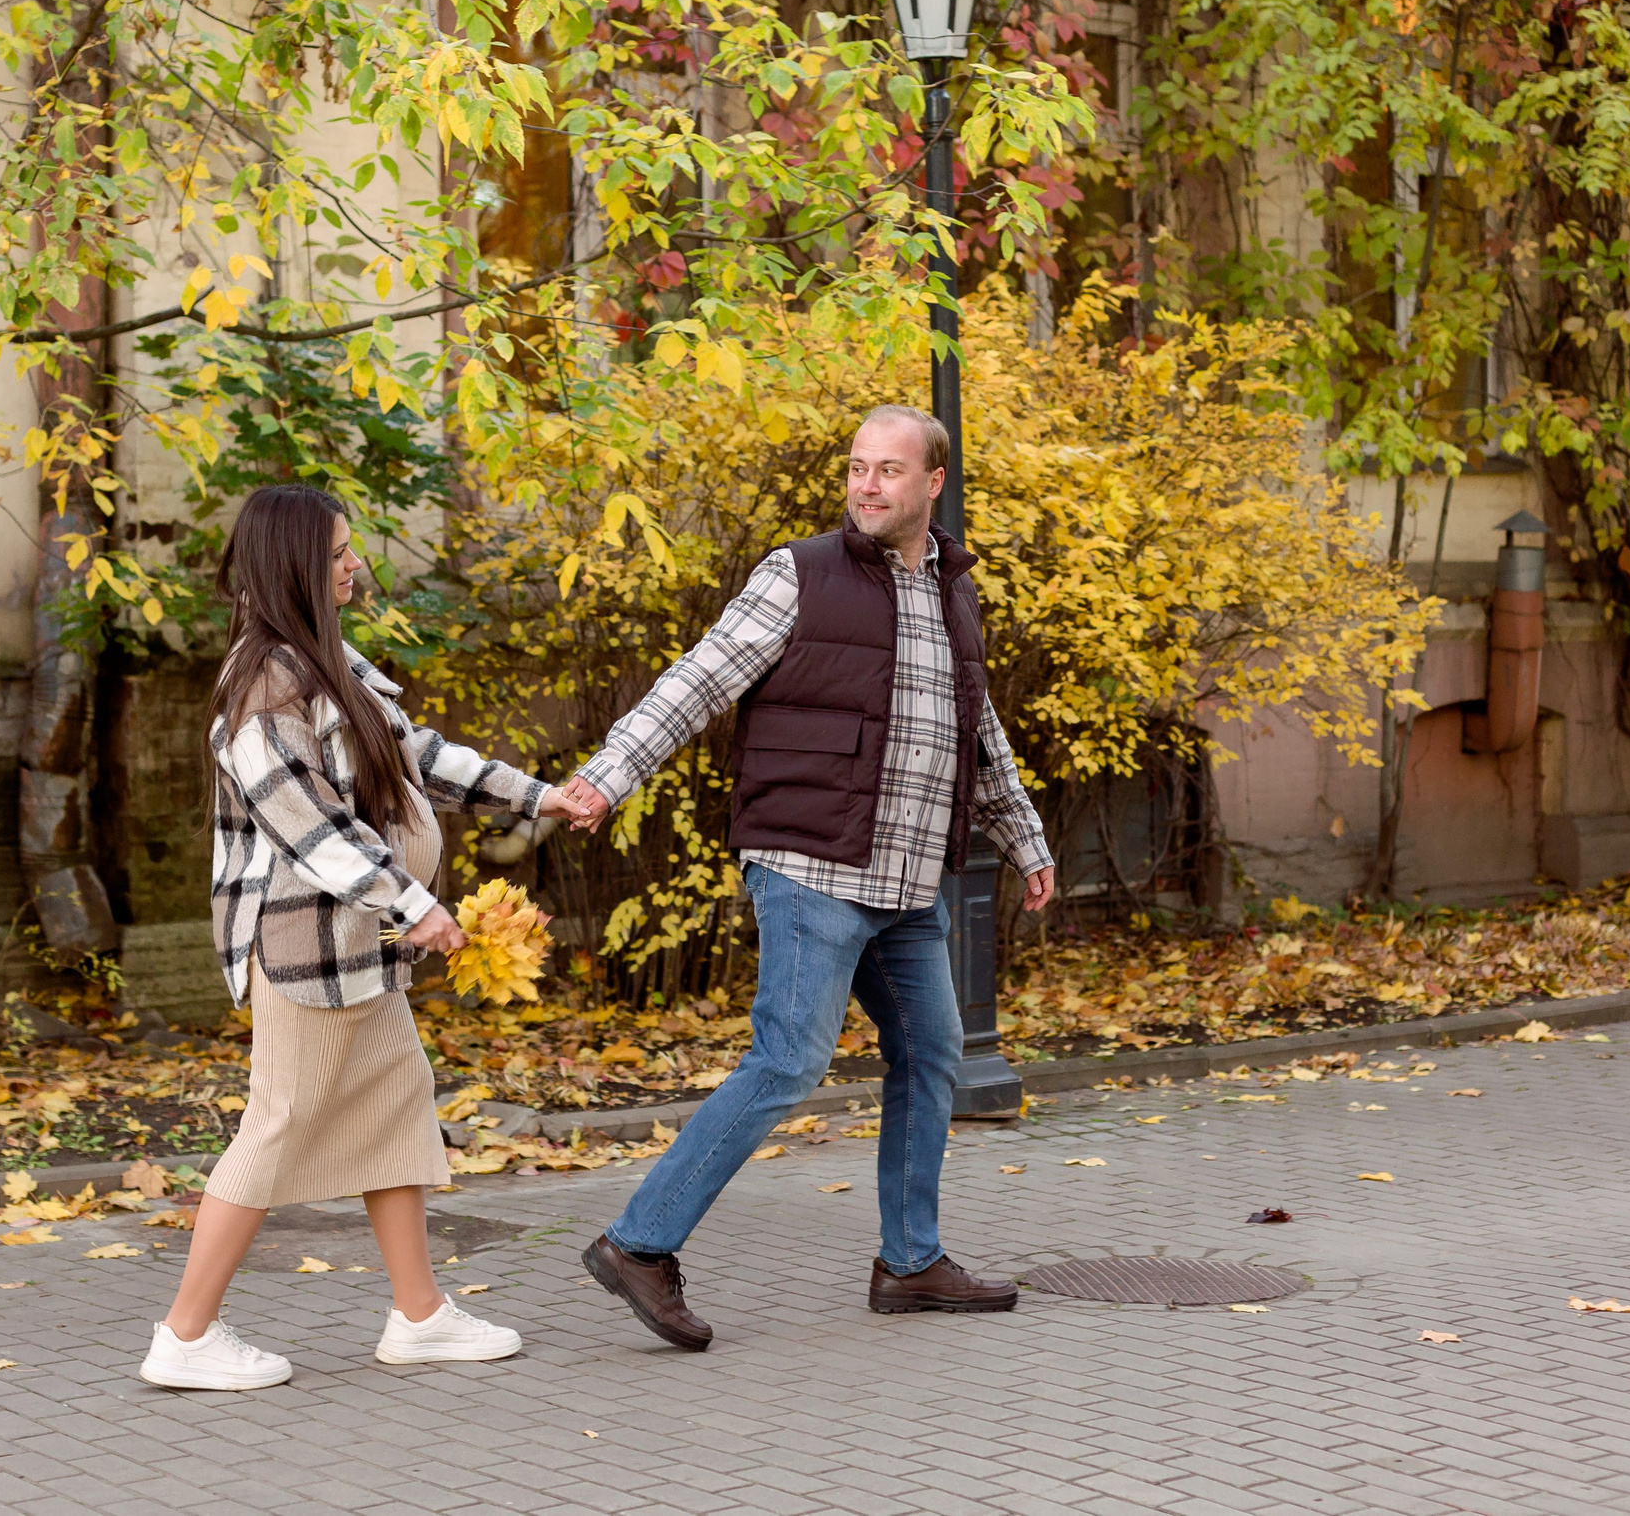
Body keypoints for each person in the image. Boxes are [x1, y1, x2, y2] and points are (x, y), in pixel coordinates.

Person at [559, 405, 1058, 1350]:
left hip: (906, 879)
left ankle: (911, 1263)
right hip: (810, 861)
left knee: (932, 1052)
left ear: (932, 484)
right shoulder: (800, 574)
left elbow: (975, 729)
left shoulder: (953, 587)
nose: (867, 485)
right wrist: (611, 771)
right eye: (857, 467)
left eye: (890, 470)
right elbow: (699, 678)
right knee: (790, 1057)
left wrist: (1023, 836)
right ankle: (640, 1243)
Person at [139, 484, 594, 1390]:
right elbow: (307, 827)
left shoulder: (324, 662)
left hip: (360, 945)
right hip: (309, 947)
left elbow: (416, 754)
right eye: (340, 551)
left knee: (396, 1101)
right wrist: (412, 902)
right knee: (278, 1120)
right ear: (296, 566)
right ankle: (185, 1335)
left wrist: (536, 795)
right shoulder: (261, 688)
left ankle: (420, 1315)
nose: (355, 564)